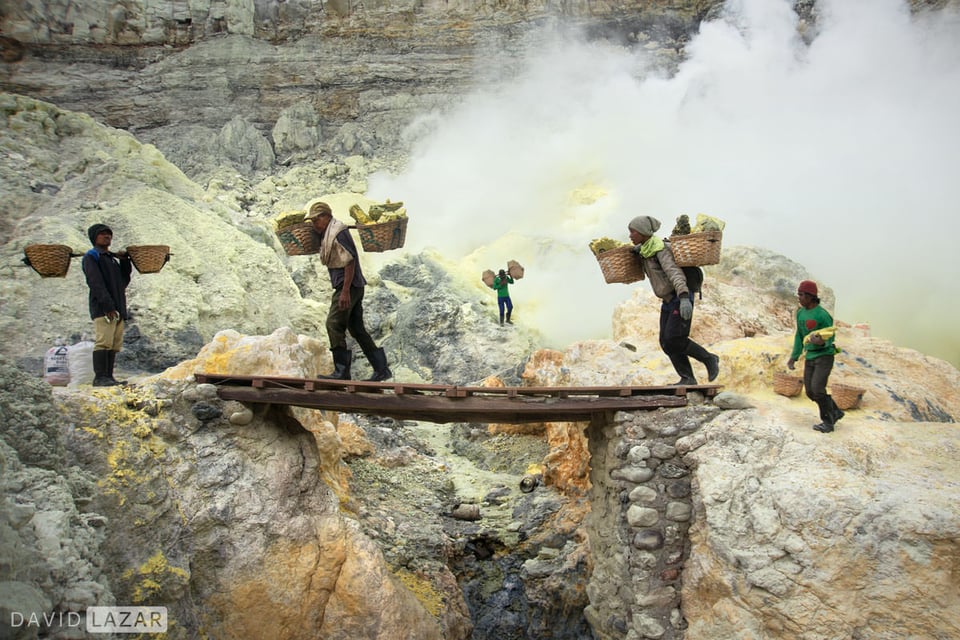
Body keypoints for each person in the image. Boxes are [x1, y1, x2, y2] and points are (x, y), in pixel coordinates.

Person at [305, 200, 392, 381]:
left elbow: (350, 261)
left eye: (316, 220)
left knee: (333, 324)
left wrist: (344, 291)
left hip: (349, 286)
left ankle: (342, 371)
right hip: (354, 286)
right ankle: (381, 369)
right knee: (357, 329)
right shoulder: (331, 232)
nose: (314, 224)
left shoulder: (338, 233)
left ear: (326, 217)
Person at [628, 215, 720, 386]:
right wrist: (638, 250)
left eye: (633, 232)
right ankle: (688, 378)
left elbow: (674, 272)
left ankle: (709, 359)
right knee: (666, 342)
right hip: (668, 300)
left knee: (675, 339)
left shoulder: (660, 250)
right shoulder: (647, 250)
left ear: (643, 232)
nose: (630, 235)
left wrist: (684, 297)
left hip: (680, 297)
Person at [787, 280, 843, 433]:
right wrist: (794, 356)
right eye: (798, 294)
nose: (799, 298)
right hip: (810, 356)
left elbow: (830, 335)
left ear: (811, 296)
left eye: (801, 295)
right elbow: (799, 335)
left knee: (818, 389)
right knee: (810, 392)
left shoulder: (823, 315)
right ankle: (835, 412)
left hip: (824, 356)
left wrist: (821, 342)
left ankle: (828, 422)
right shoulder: (800, 313)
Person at [81, 223, 133, 387]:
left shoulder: (111, 259)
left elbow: (122, 282)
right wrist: (108, 306)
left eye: (108, 234)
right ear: (94, 238)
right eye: (102, 234)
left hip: (117, 308)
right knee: (104, 341)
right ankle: (100, 377)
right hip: (104, 308)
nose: (107, 236)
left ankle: (109, 377)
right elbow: (95, 283)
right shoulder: (92, 257)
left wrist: (125, 262)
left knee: (114, 343)